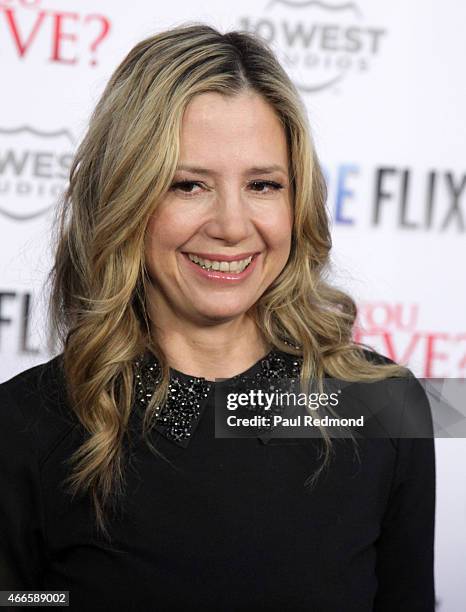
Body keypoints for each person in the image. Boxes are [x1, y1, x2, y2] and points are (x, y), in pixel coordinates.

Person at [0, 23, 435, 611]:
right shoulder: (25, 425)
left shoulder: (382, 407)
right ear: (124, 199)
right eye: (188, 185)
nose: (232, 225)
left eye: (262, 184)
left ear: (297, 201)